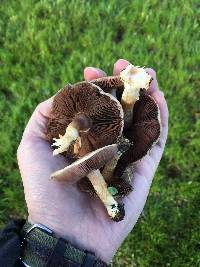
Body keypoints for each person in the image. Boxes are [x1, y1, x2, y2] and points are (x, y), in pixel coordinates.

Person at [0, 59, 168, 267]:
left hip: (112, 141)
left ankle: (112, 200)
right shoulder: (77, 128)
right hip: (98, 149)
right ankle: (111, 205)